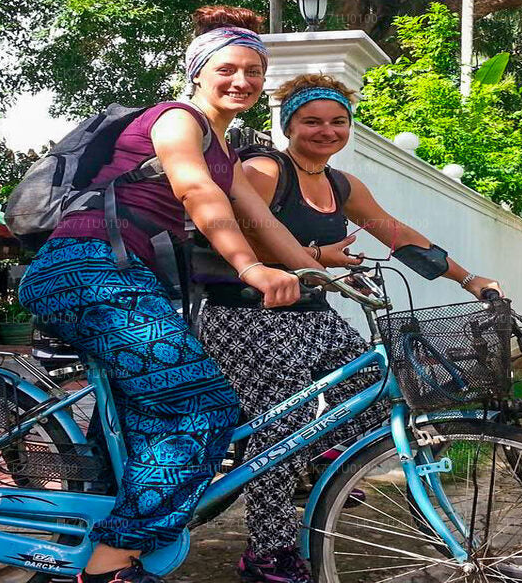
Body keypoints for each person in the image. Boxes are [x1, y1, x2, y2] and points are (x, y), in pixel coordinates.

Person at [18, 6, 324, 583]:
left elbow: (262, 221)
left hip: (125, 279)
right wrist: (251, 270)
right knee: (203, 405)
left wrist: (318, 274)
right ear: (198, 72)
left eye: (254, 72)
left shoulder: (224, 149)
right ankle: (111, 565)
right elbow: (195, 191)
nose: (242, 81)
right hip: (86, 270)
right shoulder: (176, 120)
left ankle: (80, 540)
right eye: (229, 69)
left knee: (145, 423)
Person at [198, 73, 502, 583]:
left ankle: (321, 461)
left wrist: (468, 278)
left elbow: (396, 233)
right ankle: (268, 552)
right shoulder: (266, 170)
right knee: (280, 434)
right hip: (245, 313)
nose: (326, 131)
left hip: (310, 313)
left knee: (384, 397)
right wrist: (316, 257)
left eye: (337, 121)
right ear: (288, 123)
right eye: (311, 121)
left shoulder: (342, 184)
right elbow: (231, 237)